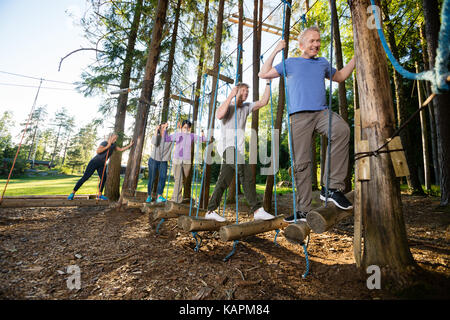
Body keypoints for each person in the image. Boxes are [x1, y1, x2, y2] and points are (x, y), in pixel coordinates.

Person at [259, 26, 355, 223]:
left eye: (318, 41)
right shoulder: (290, 63)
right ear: (301, 45)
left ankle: (331, 187)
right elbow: (263, 73)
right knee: (301, 163)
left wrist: (357, 58)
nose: (316, 44)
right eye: (312, 41)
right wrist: (277, 49)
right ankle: (302, 210)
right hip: (298, 118)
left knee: (342, 130)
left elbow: (341, 77)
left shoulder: (322, 63)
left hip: (321, 112)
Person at [204, 82, 275, 222]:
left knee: (223, 181)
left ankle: (210, 210)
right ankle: (257, 209)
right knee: (245, 170)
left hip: (238, 150)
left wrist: (267, 82)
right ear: (237, 91)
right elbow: (219, 115)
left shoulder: (247, 107)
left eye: (247, 91)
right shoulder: (228, 107)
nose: (246, 93)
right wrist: (231, 95)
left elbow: (264, 101)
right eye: (243, 90)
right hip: (227, 147)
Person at [67, 133, 133, 200]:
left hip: (102, 164)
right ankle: (72, 193)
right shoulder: (104, 143)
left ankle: (99, 194)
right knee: (85, 177)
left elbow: (121, 149)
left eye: (116, 138)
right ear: (110, 137)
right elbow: (98, 151)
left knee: (103, 178)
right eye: (114, 138)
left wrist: (129, 145)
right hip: (94, 162)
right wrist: (108, 146)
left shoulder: (113, 145)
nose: (115, 140)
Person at [165, 119, 206, 203]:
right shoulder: (177, 134)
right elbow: (167, 138)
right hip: (177, 160)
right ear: (182, 127)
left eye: (188, 128)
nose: (186, 129)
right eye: (184, 127)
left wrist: (203, 134)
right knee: (178, 179)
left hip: (187, 161)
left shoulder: (191, 136)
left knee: (183, 179)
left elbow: (203, 140)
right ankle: (175, 200)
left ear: (190, 128)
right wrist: (165, 129)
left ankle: (176, 199)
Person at [146, 122, 174, 203]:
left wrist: (178, 127)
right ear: (159, 129)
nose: (164, 128)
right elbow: (153, 142)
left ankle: (159, 196)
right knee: (152, 178)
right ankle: (149, 196)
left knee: (162, 178)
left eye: (165, 127)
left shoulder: (169, 138)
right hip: (153, 160)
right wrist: (156, 129)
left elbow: (177, 136)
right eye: (162, 127)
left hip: (163, 161)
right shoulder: (157, 137)